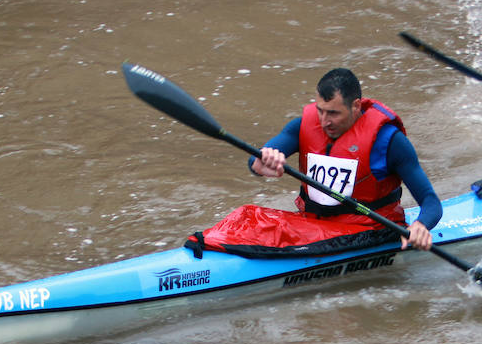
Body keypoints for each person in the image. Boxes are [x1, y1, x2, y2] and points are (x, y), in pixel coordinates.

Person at [188, 68, 442, 258]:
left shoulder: (390, 142)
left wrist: (420, 226)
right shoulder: (303, 126)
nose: (324, 121)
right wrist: (261, 163)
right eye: (320, 110)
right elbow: (256, 159)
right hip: (313, 226)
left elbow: (431, 201)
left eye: (333, 113)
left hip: (368, 230)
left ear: (355, 107)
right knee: (245, 216)